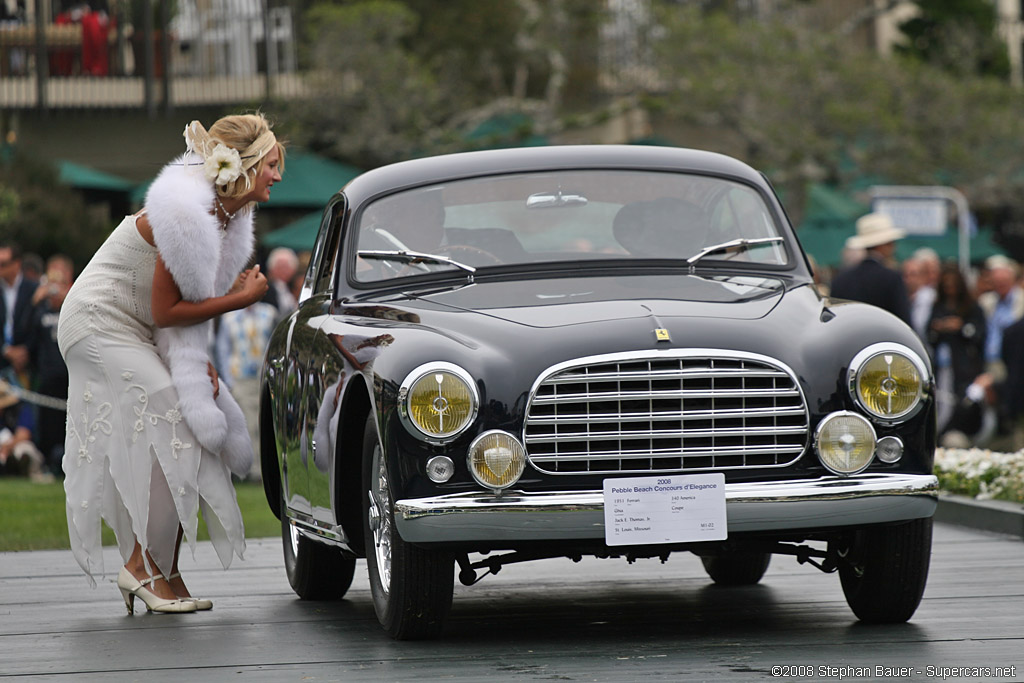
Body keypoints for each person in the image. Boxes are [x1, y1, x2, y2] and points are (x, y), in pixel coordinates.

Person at [57, 112, 282, 615]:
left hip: (138, 328)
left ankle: (163, 569)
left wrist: (196, 365)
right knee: (174, 418)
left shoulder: (227, 218)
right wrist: (240, 300)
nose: (277, 175)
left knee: (187, 423)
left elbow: (174, 319)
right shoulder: (184, 212)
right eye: (271, 164)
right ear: (242, 167)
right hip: (98, 322)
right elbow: (166, 310)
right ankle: (142, 569)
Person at [26, 254, 75, 477]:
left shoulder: (75, 306)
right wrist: (36, 301)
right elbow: (25, 338)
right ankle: (49, 463)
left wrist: (68, 298)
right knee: (48, 427)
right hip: (47, 380)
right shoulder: (40, 310)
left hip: (72, 379)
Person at [927, 263, 986, 435]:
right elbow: (928, 334)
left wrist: (960, 327)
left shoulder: (971, 307)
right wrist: (938, 328)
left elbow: (979, 334)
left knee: (962, 401)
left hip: (964, 366)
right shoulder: (938, 306)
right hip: (942, 364)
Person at [829, 212, 911, 325]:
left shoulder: (841, 279)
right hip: (884, 338)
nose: (894, 247)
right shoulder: (892, 278)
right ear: (883, 244)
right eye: (891, 243)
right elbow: (903, 320)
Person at [977, 255, 1023, 382]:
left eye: (1004, 281)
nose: (1001, 285)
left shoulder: (1022, 301)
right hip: (990, 362)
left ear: (1012, 280)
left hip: (1016, 363)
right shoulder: (985, 302)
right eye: (997, 282)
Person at [0, 242, 38, 387]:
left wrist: (25, 350)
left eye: (3, 264)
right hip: (3, 360)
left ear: (16, 264)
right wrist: (5, 349)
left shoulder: (33, 289)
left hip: (28, 364)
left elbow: (37, 324)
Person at [262, 247, 299, 317]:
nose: (283, 271)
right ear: (271, 269)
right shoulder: (266, 289)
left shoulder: (296, 287)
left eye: (286, 267)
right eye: (280, 267)